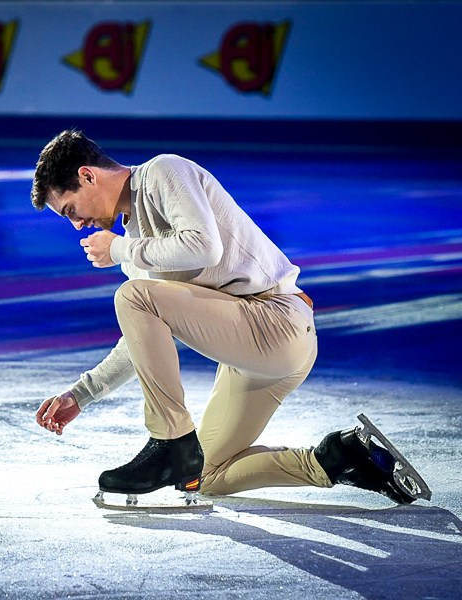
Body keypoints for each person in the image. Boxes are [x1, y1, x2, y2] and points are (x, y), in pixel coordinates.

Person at [30, 130, 431, 506]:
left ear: (87, 176)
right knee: (208, 475)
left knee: (134, 296)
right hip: (249, 355)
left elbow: (204, 247)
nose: (76, 223)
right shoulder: (136, 244)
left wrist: (120, 250)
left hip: (276, 322)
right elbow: (139, 340)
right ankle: (338, 459)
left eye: (70, 210)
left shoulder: (162, 172)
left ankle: (170, 440)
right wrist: (80, 395)